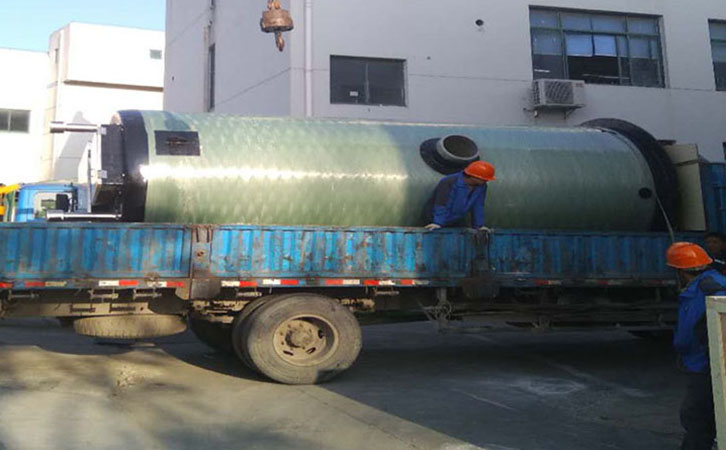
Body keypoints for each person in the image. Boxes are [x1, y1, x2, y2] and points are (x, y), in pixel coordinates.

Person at [667, 242, 726, 450]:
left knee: (696, 415)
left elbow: (686, 336)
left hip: (704, 363)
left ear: (680, 271)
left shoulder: (701, 291)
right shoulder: (715, 282)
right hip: (712, 360)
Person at [424, 161, 496, 232]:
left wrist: (479, 226)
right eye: (485, 179)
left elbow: (478, 206)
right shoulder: (449, 181)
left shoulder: (481, 186)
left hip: (455, 220)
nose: (487, 180)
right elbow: (441, 203)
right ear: (474, 177)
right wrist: (437, 223)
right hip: (434, 219)